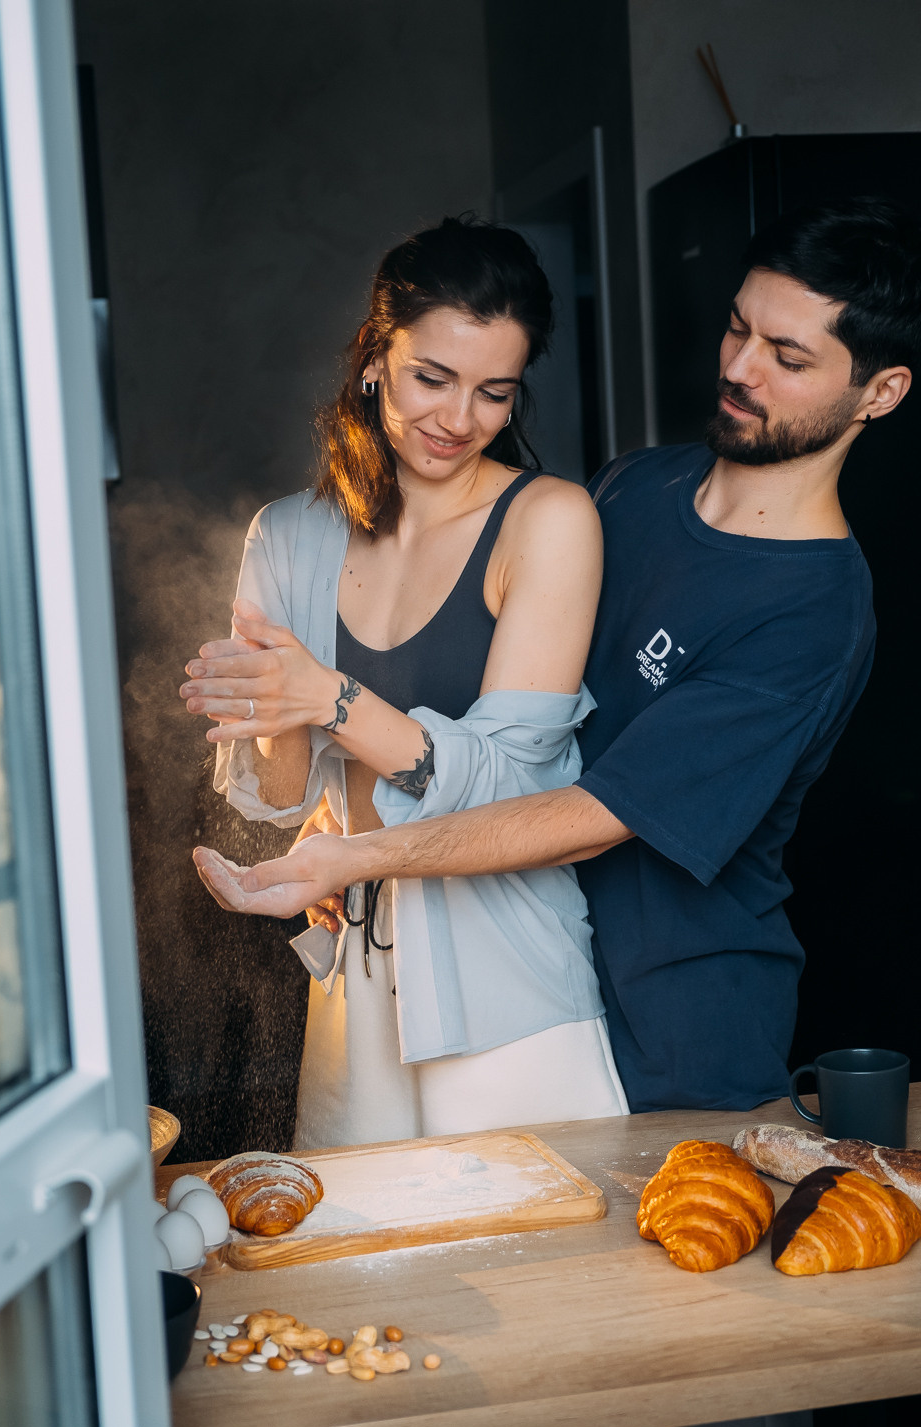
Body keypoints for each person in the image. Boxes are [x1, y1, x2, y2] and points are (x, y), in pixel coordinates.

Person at [193, 198, 921, 1427]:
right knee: (477, 1358)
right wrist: (281, 739)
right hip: (454, 966)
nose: (741, 369)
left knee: (689, 1381)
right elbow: (341, 762)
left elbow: (568, 798)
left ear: (882, 394)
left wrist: (343, 794)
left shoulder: (807, 609)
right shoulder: (637, 488)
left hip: (673, 1001)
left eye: (789, 355)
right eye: (739, 331)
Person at [181, 215, 629, 1152]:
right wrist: (281, 713)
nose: (458, 420)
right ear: (374, 358)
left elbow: (512, 791)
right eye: (432, 378)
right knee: (359, 1277)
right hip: (355, 970)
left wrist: (329, 697)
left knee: (539, 1273)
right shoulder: (289, 535)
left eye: (493, 393)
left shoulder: (547, 520)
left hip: (507, 980)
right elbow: (275, 798)